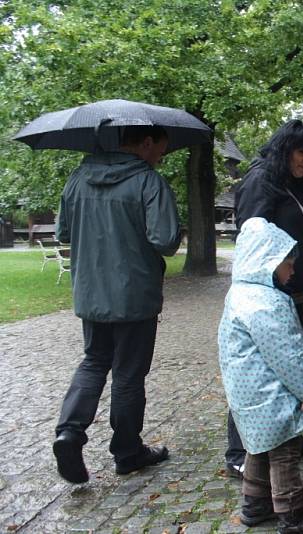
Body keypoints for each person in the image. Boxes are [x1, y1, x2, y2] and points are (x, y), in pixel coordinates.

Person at [52, 125, 181, 483]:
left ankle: (69, 432)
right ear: (146, 142)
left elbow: (63, 232)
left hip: (92, 293)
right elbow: (166, 239)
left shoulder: (79, 177)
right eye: (161, 150)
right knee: (128, 374)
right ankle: (127, 451)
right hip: (134, 295)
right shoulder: (148, 182)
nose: (160, 158)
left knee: (94, 362)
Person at [227, 119, 303, 476]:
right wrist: (267, 292)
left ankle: (292, 438)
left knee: (297, 365)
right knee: (260, 374)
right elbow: (254, 241)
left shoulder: (296, 184)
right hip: (269, 298)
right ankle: (241, 453)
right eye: (302, 152)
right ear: (285, 148)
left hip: (297, 292)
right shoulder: (260, 181)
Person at [218, 217, 303, 533]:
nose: (292, 270)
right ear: (266, 261)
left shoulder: (239, 294)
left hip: (247, 394)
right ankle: (293, 514)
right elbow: (290, 356)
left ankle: (254, 505)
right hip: (271, 396)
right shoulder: (267, 303)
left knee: (259, 447)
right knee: (284, 453)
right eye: (287, 263)